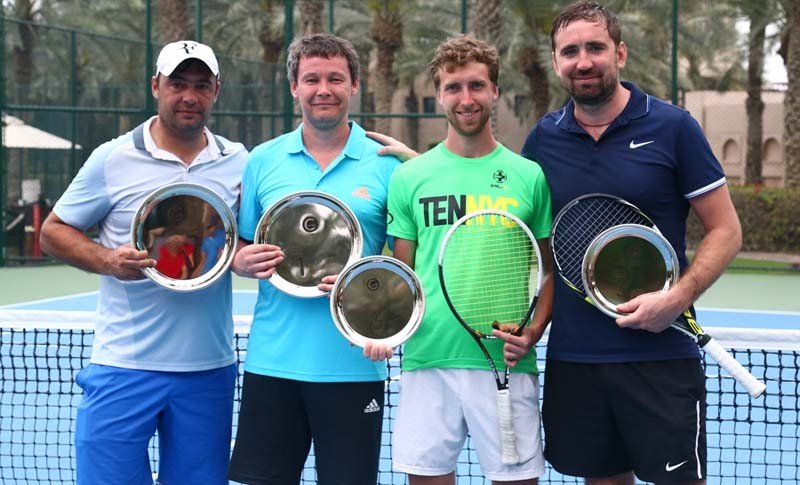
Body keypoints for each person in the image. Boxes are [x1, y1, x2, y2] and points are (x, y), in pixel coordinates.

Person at [520, 0, 742, 485]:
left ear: (619, 53)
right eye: (570, 51)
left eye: (595, 48)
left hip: (662, 357)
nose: (583, 61)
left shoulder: (674, 127)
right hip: (576, 358)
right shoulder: (544, 139)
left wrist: (676, 299)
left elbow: (726, 230)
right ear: (556, 62)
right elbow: (515, 215)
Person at [39, 40, 247, 485]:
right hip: (123, 367)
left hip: (208, 371)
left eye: (201, 85)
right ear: (156, 86)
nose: (189, 96)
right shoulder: (111, 158)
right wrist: (107, 259)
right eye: (177, 84)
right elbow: (53, 232)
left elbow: (247, 240)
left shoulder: (239, 162)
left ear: (216, 90)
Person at [227, 33, 410, 485]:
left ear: (354, 85)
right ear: (294, 87)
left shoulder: (388, 164)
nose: (323, 89)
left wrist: (388, 322)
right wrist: (241, 261)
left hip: (354, 365)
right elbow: (241, 244)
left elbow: (408, 265)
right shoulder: (263, 160)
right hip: (272, 362)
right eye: (311, 79)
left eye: (335, 79)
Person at [379, 34, 554, 485]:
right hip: (428, 359)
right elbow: (403, 276)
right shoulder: (410, 178)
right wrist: (380, 328)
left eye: (476, 86)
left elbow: (546, 271)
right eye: (453, 87)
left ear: (494, 90)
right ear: (439, 95)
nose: (466, 98)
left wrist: (533, 331)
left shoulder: (529, 176)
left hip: (505, 363)